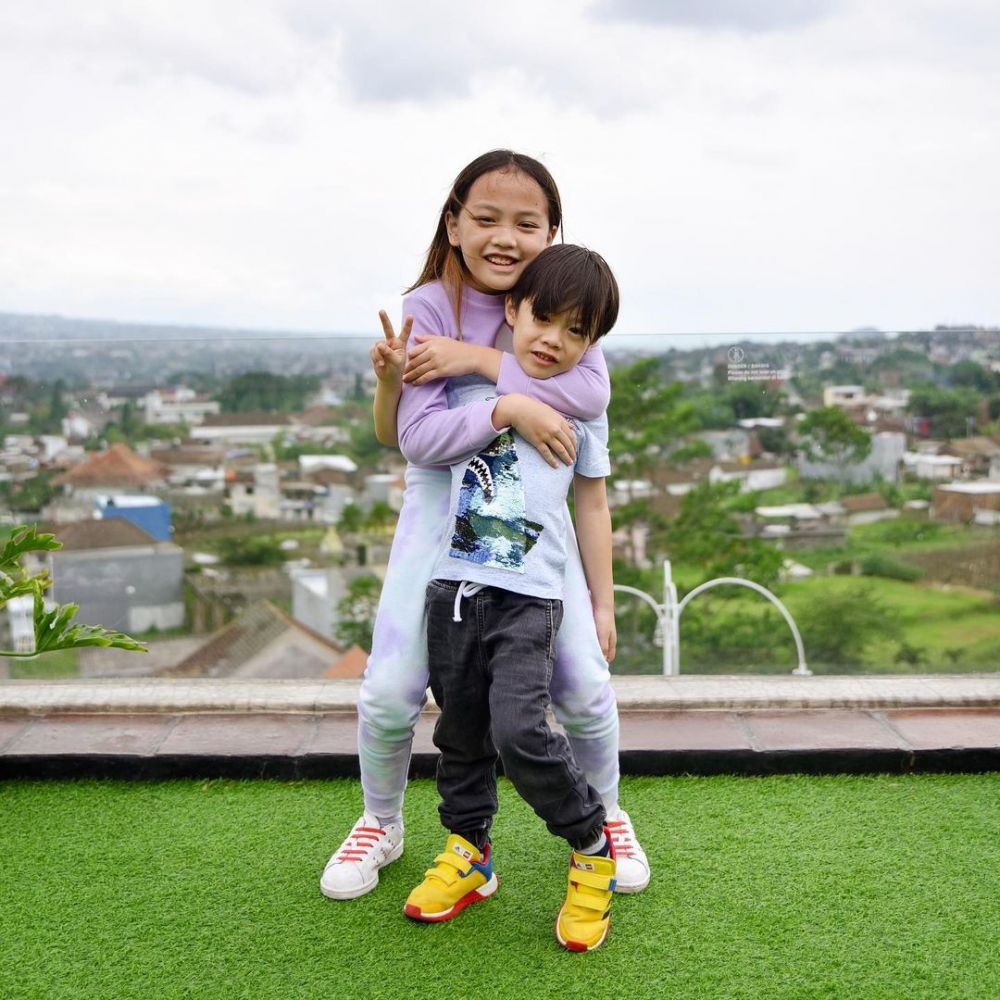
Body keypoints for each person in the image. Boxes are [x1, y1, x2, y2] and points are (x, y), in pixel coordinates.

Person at [320, 150, 649, 903]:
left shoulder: (563, 306)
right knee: (392, 688)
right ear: (454, 223)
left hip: (534, 522)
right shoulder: (428, 306)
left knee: (586, 685)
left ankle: (605, 814)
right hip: (441, 508)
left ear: (553, 232)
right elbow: (415, 439)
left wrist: (478, 364)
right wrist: (510, 407)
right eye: (486, 218)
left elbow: (590, 399)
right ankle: (382, 821)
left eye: (526, 223)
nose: (504, 236)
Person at [404, 244, 621, 953]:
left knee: (520, 729)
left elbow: (593, 508)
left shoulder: (580, 410)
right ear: (512, 310)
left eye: (576, 332)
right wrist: (476, 382)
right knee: (459, 734)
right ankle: (470, 851)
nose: (554, 339)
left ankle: (591, 845)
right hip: (455, 591)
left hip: (531, 597)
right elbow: (416, 440)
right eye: (543, 318)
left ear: (591, 346)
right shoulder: (473, 396)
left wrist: (604, 603)